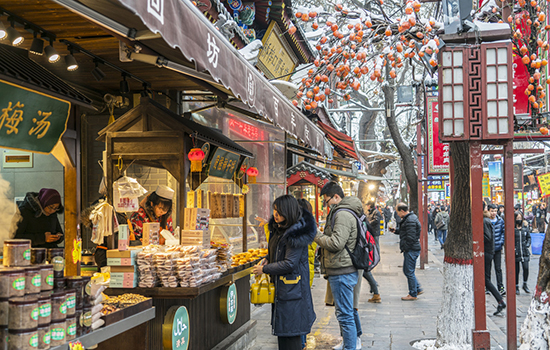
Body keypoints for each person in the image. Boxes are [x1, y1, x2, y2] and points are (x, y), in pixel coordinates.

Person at [252, 195, 316, 350]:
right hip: (286, 291)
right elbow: (278, 252)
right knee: (284, 336)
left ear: (288, 211)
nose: (275, 214)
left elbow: (289, 263)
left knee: (291, 338)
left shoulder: (295, 233)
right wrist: (268, 258)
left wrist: (264, 269)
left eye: (279, 211)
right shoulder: (279, 230)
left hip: (293, 293)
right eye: (274, 209)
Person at [315, 181, 362, 350]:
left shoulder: (342, 214)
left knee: (344, 315)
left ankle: (350, 347)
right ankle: (352, 343)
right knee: (347, 312)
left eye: (327, 201)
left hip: (342, 270)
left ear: (336, 197)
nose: (326, 205)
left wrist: (317, 235)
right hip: (343, 268)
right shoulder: (344, 211)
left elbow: (336, 243)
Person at [296, 198, 318, 350]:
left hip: (301, 272)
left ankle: (301, 341)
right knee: (301, 306)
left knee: (299, 308)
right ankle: (301, 341)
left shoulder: (301, 229)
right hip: (307, 271)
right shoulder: (311, 226)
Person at [390, 202, 422, 301]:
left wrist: (406, 247)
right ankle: (417, 288)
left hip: (411, 249)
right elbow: (405, 231)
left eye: (398, 212)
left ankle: (413, 293)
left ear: (402, 211)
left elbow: (411, 237)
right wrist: (395, 231)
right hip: (411, 248)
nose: (397, 215)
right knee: (407, 270)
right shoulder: (409, 219)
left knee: (409, 271)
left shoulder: (410, 220)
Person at [483, 202, 507, 315]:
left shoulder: (485, 221)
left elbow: (488, 236)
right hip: (490, 250)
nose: (493, 212)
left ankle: (500, 299)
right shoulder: (486, 220)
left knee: (487, 278)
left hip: (488, 251)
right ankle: (500, 300)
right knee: (485, 279)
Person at [364, 200, 381, 303]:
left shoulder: (375, 212)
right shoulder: (368, 214)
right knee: (365, 272)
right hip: (365, 245)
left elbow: (376, 220)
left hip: (373, 233)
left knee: (365, 272)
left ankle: (375, 290)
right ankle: (374, 289)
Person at [488, 204, 506, 295]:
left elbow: (503, 232)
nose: (494, 213)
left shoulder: (500, 221)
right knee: (488, 268)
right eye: (492, 211)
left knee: (498, 268)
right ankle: (488, 287)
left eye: (495, 211)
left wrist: (501, 242)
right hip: (488, 249)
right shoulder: (486, 221)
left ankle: (500, 287)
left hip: (498, 248)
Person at [514, 211, 531, 295]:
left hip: (524, 252)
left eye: (520, 218)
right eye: (517, 218)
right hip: (516, 252)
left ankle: (525, 284)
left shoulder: (525, 227)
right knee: (516, 270)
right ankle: (516, 286)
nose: (519, 219)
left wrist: (527, 245)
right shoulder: (513, 228)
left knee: (526, 268)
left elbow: (529, 237)